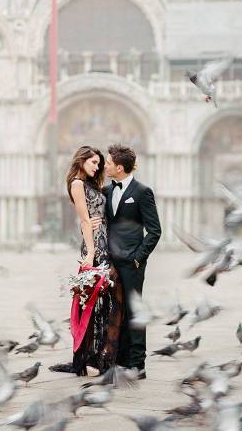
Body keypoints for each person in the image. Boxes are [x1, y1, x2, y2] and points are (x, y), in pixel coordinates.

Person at [50, 146, 122, 376]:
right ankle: (87, 359)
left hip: (106, 243)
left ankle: (100, 355)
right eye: (93, 162)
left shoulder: (94, 186)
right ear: (81, 161)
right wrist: (90, 253)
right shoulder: (77, 185)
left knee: (104, 303)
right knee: (92, 302)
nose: (97, 166)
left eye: (99, 163)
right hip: (96, 247)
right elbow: (84, 221)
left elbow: (98, 215)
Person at [101, 143, 162, 379]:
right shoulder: (106, 192)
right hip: (110, 263)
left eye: (107, 163)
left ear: (119, 167)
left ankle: (138, 364)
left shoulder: (142, 192)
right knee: (116, 311)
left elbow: (155, 231)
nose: (104, 166)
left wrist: (138, 258)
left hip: (132, 263)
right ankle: (120, 360)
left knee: (135, 311)